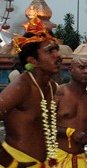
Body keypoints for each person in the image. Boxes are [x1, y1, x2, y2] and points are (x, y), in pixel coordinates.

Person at [0, 16, 62, 167]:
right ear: (32, 61)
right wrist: (9, 161)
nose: (58, 55)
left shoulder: (51, 86)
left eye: (57, 49)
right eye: (50, 51)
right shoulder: (21, 87)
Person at [54, 57, 87, 167]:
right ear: (70, 69)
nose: (86, 71)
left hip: (83, 159)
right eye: (82, 67)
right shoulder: (58, 93)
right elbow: (42, 124)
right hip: (57, 158)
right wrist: (70, 133)